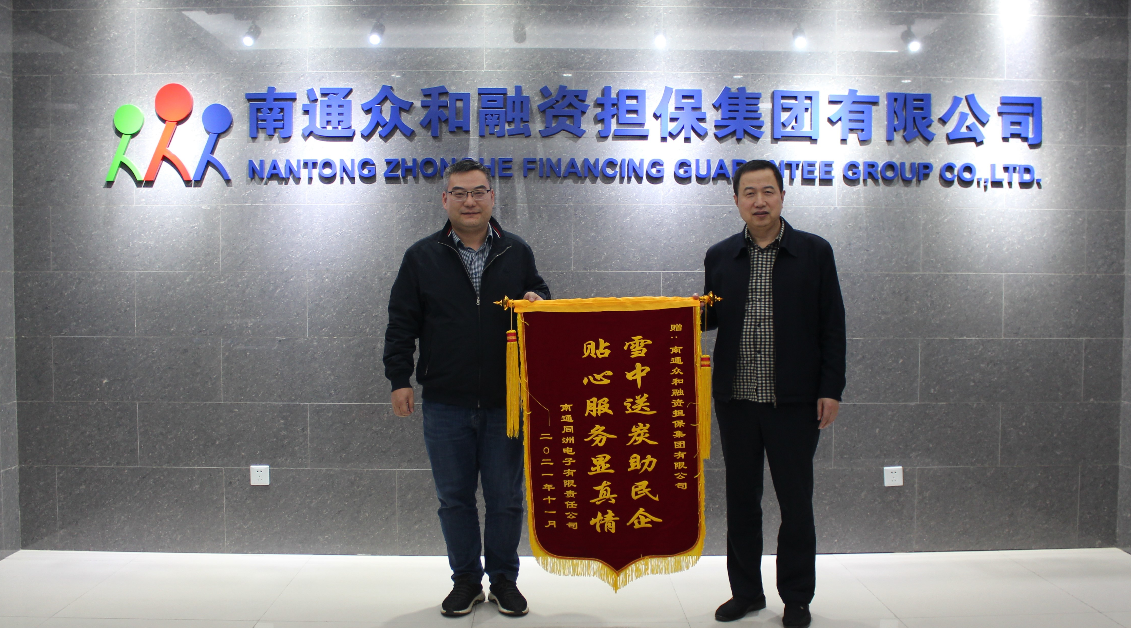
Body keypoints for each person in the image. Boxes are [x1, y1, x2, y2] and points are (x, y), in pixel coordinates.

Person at [384, 158, 550, 618]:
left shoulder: (516, 251)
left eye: (478, 192)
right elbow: (402, 322)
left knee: (505, 499)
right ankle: (466, 582)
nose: (469, 201)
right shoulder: (421, 256)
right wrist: (399, 378)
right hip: (445, 402)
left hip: (506, 401)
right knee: (454, 500)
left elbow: (540, 296)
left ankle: (504, 582)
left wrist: (539, 298)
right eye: (459, 193)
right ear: (445, 200)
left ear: (492, 197)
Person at [702, 160, 846, 628]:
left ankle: (797, 597)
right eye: (749, 193)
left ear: (782, 196)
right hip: (737, 400)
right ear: (736, 201)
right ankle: (746, 592)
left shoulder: (814, 252)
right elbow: (707, 318)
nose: (759, 201)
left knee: (795, 503)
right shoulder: (720, 256)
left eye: (768, 191)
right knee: (742, 500)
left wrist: (831, 388)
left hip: (796, 401)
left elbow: (832, 324)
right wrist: (659, 314)